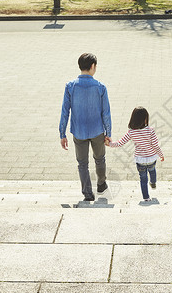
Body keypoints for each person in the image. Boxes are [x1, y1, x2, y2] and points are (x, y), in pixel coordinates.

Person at [59, 53, 112, 201]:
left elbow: (65, 111)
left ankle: (88, 193)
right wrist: (108, 132)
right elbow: (106, 112)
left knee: (82, 163)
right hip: (97, 131)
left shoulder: (70, 86)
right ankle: (101, 184)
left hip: (79, 131)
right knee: (100, 158)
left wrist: (62, 134)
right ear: (92, 66)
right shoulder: (101, 87)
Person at [106, 107, 164, 202]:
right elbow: (155, 145)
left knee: (143, 178)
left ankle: (146, 197)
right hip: (151, 158)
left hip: (140, 160)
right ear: (145, 119)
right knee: (152, 170)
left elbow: (120, 142)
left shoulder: (131, 132)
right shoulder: (150, 130)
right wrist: (161, 155)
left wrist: (110, 144)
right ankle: (153, 182)